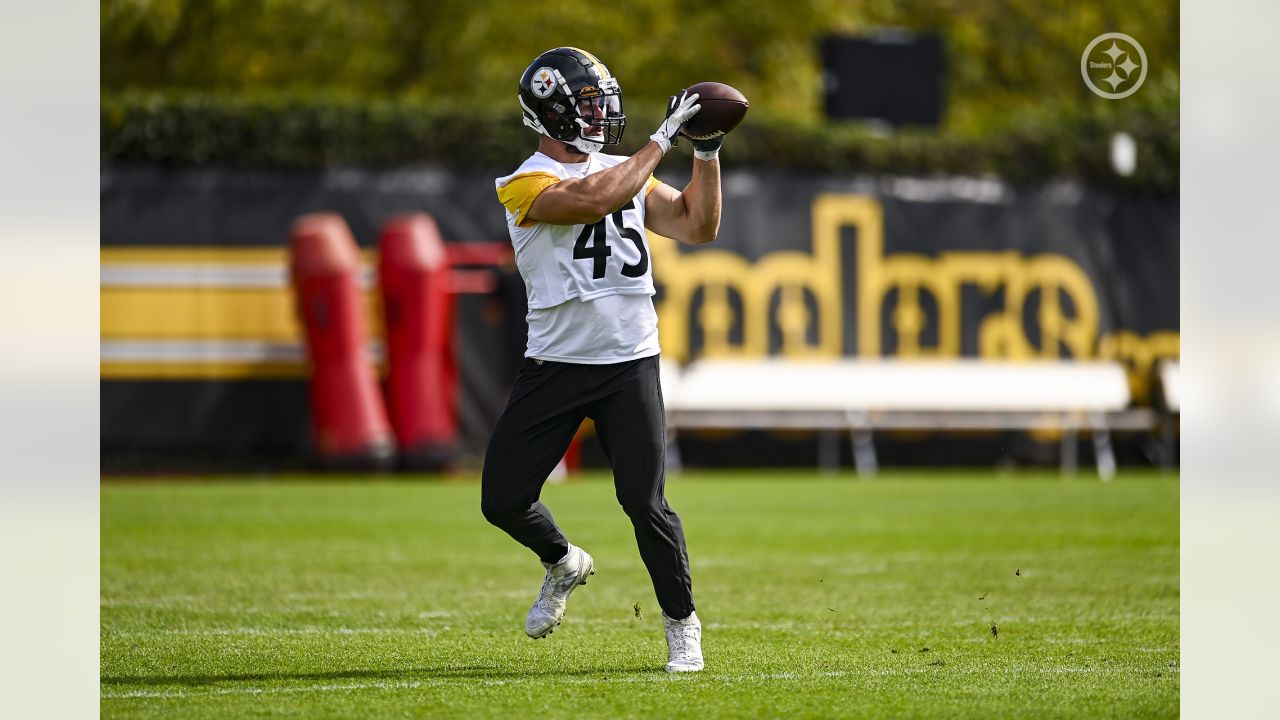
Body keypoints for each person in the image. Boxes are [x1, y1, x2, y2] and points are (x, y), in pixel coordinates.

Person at [481, 47, 724, 673]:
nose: (599, 114)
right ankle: (563, 561)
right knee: (503, 499)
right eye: (586, 103)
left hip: (628, 362)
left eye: (600, 102)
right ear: (550, 112)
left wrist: (707, 152)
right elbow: (589, 201)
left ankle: (682, 626)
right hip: (556, 364)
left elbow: (698, 226)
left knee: (645, 501)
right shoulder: (526, 181)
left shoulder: (627, 169)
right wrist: (662, 139)